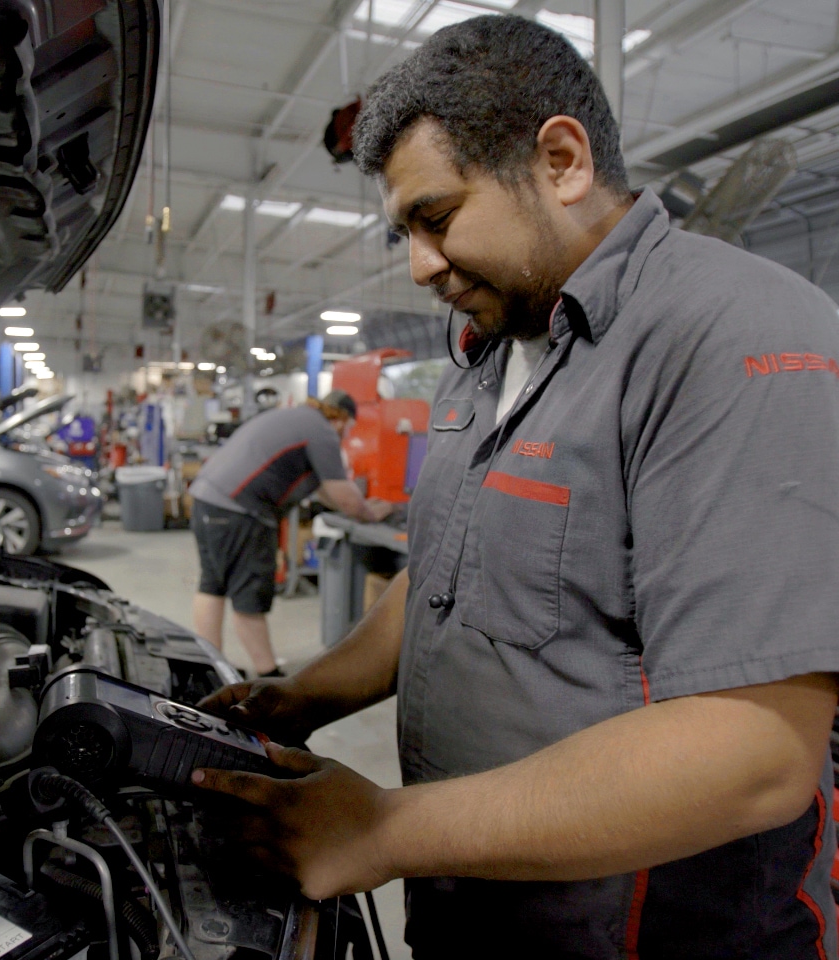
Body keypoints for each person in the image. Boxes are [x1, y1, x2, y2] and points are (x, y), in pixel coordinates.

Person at [190, 15, 839, 959]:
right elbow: (445, 579)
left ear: (563, 160)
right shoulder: (492, 351)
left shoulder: (732, 335)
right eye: (404, 231)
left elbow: (756, 753)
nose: (420, 265)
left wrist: (381, 830)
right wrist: (303, 696)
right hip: (480, 914)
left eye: (438, 218)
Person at [189, 390, 394, 677]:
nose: (347, 433)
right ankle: (269, 674)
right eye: (349, 427)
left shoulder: (296, 417)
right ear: (342, 419)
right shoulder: (322, 431)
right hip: (241, 511)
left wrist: (352, 505)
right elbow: (342, 495)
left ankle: (211, 667)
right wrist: (369, 512)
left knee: (212, 585)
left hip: (206, 500)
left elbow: (324, 490)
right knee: (248, 594)